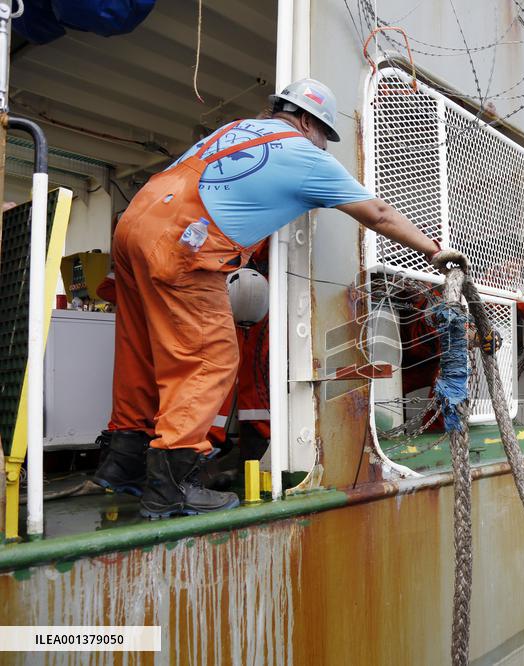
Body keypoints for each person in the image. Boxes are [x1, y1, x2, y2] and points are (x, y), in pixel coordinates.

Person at [94, 78, 467, 518]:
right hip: (186, 240)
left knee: (140, 347)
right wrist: (435, 251)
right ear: (308, 122)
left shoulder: (233, 129)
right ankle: (171, 484)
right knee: (209, 357)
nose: (323, 147)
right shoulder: (305, 156)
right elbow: (379, 214)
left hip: (135, 222)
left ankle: (124, 459)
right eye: (324, 136)